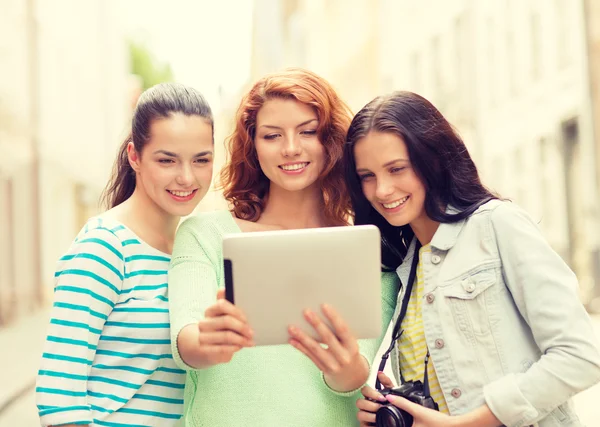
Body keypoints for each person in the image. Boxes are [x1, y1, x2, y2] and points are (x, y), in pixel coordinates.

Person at [344, 91, 600, 427]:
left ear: (431, 160)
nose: (382, 190)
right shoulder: (405, 270)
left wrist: (469, 423)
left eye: (396, 169)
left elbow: (581, 356)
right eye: (368, 176)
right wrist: (394, 407)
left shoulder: (497, 224)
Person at [168, 68, 400, 426]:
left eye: (308, 131)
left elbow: (358, 373)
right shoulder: (205, 234)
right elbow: (186, 341)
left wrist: (346, 367)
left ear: (332, 140)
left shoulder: (368, 249)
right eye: (272, 135)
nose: (291, 148)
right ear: (253, 146)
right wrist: (208, 341)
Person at [36, 82, 215, 427]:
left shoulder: (192, 252)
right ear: (135, 156)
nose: (186, 177)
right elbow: (58, 393)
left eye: (201, 160)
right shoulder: (105, 246)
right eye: (167, 160)